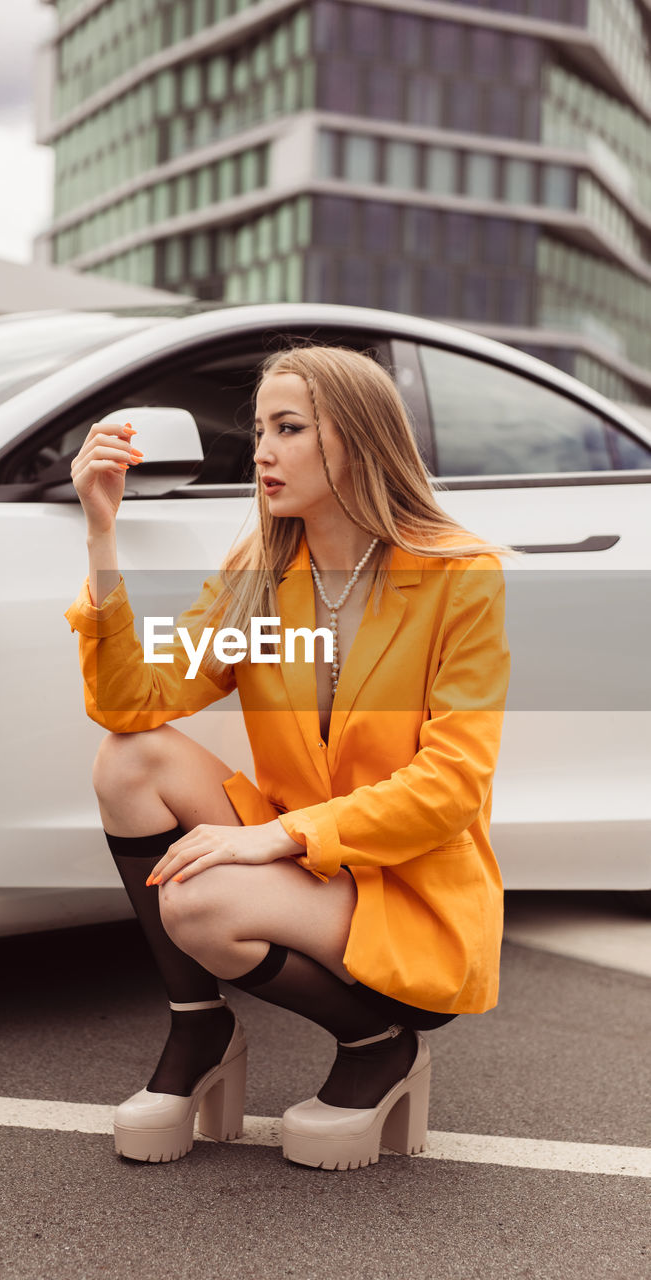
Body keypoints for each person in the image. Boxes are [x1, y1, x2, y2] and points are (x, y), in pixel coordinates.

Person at [65, 344, 511, 1170]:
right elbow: (131, 704)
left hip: (408, 893)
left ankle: (379, 1043)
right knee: (128, 759)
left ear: (358, 440)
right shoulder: (261, 575)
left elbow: (449, 788)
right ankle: (199, 1027)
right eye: (261, 428)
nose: (261, 452)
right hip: (311, 866)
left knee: (198, 905)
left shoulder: (459, 577)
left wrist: (271, 838)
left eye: (290, 428)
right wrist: (101, 532)